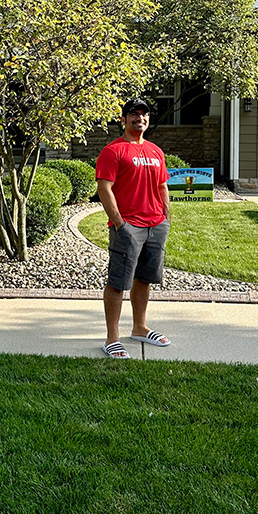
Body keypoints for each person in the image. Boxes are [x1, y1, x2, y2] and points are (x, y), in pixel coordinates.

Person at [95, 98, 172, 359]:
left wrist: (166, 219)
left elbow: (162, 185)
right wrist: (120, 224)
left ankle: (140, 328)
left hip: (155, 224)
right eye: (134, 114)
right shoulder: (113, 151)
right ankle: (112, 338)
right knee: (118, 283)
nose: (140, 118)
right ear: (124, 119)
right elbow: (104, 188)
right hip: (128, 226)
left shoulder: (155, 151)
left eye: (144, 114)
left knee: (145, 279)